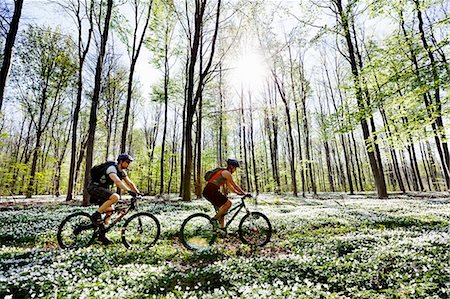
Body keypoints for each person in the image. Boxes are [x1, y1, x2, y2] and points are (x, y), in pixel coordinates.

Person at [87, 153, 140, 245]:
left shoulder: (122, 172)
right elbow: (117, 181)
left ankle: (101, 236)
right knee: (115, 197)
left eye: (129, 162)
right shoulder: (112, 169)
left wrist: (137, 193)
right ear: (121, 162)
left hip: (101, 189)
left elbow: (130, 183)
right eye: (127, 162)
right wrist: (128, 191)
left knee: (109, 211)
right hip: (94, 188)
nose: (128, 164)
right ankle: (96, 215)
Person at [202, 158, 247, 230]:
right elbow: (235, 185)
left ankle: (221, 229)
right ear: (231, 167)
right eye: (235, 168)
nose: (235, 170)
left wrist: (238, 193)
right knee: (228, 204)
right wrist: (244, 193)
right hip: (211, 191)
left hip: (209, 191)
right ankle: (214, 220)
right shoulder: (226, 173)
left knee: (222, 211)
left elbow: (230, 187)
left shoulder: (224, 173)